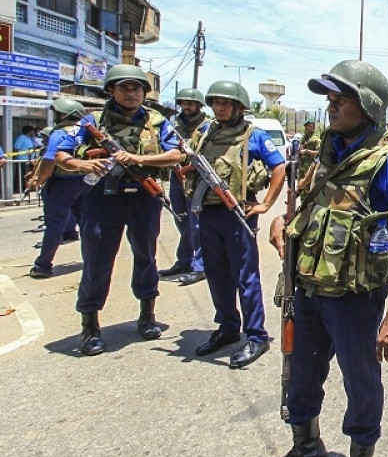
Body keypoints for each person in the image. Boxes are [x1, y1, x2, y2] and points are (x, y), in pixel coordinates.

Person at [251, 60, 388, 457]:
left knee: (361, 384)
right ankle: (306, 450)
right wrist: (282, 223)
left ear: (367, 106)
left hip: (355, 300)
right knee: (300, 376)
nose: (331, 106)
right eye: (329, 98)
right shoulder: (329, 150)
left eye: (340, 99)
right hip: (308, 289)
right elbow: (306, 205)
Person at [53, 64, 183, 356]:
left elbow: (176, 153)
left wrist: (137, 159)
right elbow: (60, 154)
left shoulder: (157, 121)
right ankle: (90, 326)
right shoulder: (92, 121)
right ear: (111, 90)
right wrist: (83, 164)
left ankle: (147, 316)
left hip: (144, 197)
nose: (131, 93)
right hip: (102, 199)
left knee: (146, 257)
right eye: (125, 88)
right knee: (97, 262)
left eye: (137, 88)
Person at [186, 80, 286, 368]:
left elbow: (279, 166)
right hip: (207, 213)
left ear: (239, 107)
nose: (219, 108)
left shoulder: (253, 136)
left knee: (246, 277)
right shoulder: (204, 133)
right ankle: (228, 327)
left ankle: (256, 335)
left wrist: (265, 204)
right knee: (216, 274)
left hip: (237, 214)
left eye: (226, 103)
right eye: (216, 103)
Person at [27, 100, 88, 278]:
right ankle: (92, 261)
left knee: (54, 225)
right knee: (87, 224)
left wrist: (38, 181)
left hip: (61, 183)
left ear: (64, 115)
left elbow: (50, 159)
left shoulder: (60, 133)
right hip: (84, 181)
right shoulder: (85, 132)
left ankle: (43, 265)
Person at [159, 87, 210, 286]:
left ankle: (200, 265)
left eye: (190, 103)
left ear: (199, 105)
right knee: (181, 219)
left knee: (196, 224)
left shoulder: (207, 127)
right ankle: (184, 261)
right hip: (176, 176)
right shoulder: (173, 126)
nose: (186, 107)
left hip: (196, 179)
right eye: (184, 103)